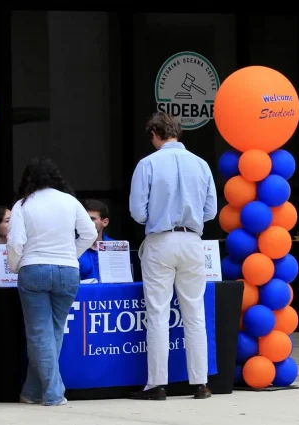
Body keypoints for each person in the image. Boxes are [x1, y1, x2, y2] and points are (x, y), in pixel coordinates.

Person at [128, 112, 217, 400]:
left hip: (161, 239)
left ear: (155, 133)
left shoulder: (148, 164)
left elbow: (138, 212)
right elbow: (210, 211)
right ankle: (200, 383)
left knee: (158, 314)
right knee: (195, 315)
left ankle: (157, 384)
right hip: (192, 239)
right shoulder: (201, 164)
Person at [7, 157, 97, 406]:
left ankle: (53, 393)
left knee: (39, 334)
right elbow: (90, 233)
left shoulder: (23, 205)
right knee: (53, 333)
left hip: (34, 268)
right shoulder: (70, 201)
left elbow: (15, 242)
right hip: (68, 270)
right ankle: (32, 391)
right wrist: (73, 254)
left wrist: (15, 265)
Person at [77, 199, 115, 282]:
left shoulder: (116, 247)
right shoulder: (71, 247)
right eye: (84, 219)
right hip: (83, 294)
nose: (86, 222)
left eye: (92, 219)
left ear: (105, 222)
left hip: (111, 294)